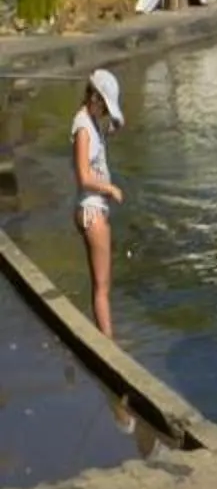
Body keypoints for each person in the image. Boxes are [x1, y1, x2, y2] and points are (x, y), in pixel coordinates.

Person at [71, 67, 124, 337]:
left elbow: (101, 138)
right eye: (104, 107)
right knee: (102, 288)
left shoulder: (90, 123)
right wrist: (109, 188)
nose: (105, 113)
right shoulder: (83, 127)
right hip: (92, 208)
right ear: (95, 99)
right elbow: (83, 176)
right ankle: (109, 346)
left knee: (102, 284)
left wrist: (113, 124)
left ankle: (107, 337)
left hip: (93, 208)